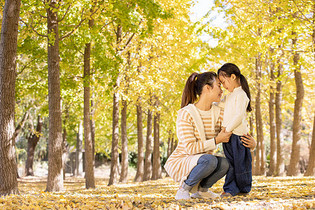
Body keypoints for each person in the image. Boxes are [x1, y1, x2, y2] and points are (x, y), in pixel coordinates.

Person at [165, 72, 234, 200]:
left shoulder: (218, 112)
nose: (222, 89)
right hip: (183, 159)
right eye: (219, 85)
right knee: (210, 160)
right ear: (207, 88)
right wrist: (217, 140)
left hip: (204, 160)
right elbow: (190, 149)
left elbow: (232, 128)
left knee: (225, 163)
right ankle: (183, 189)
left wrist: (250, 141)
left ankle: (202, 191)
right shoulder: (186, 113)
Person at [217, 63, 255, 197]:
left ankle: (244, 187)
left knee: (241, 164)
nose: (223, 86)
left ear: (233, 77)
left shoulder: (241, 95)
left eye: (224, 81)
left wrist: (227, 129)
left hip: (238, 136)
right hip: (228, 135)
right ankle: (230, 189)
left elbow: (239, 116)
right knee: (231, 164)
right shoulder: (229, 95)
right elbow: (219, 107)